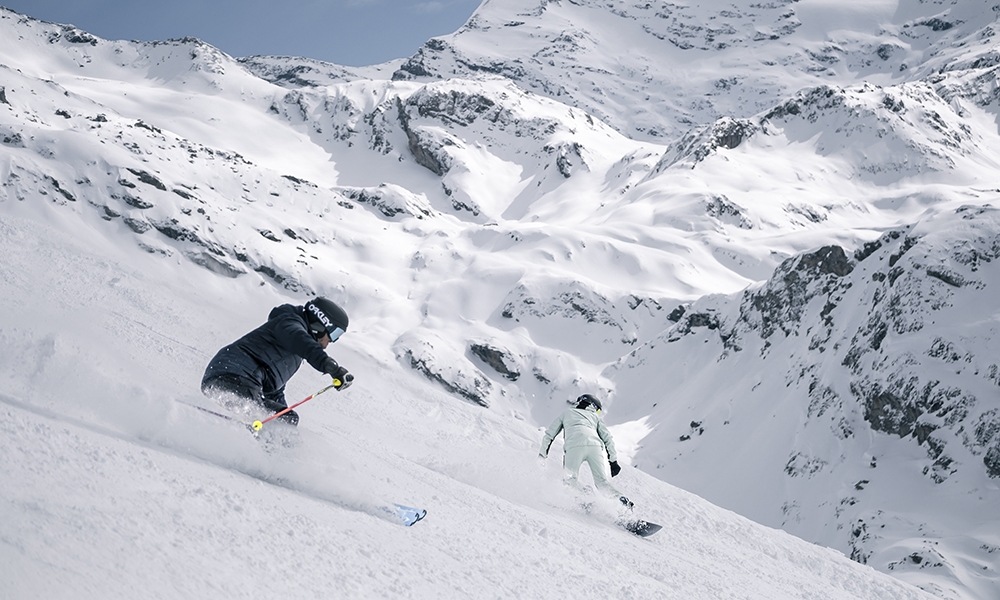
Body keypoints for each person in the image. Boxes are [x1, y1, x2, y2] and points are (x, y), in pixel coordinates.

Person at [201, 297, 353, 426]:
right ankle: (242, 445)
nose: (331, 341)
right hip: (233, 375)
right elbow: (300, 339)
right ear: (322, 323)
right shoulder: (289, 324)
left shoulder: (293, 351)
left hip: (236, 381)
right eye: (334, 334)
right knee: (272, 418)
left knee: (286, 419)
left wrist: (284, 422)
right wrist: (330, 366)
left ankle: (268, 456)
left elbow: (274, 391)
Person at [539, 393, 632, 508]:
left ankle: (585, 494)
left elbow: (549, 435)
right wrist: (613, 462)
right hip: (595, 447)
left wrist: (542, 455)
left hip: (574, 446)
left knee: (569, 480)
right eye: (597, 410)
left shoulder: (566, 413)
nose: (596, 412)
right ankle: (622, 501)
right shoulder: (595, 417)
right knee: (602, 483)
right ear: (592, 406)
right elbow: (608, 438)